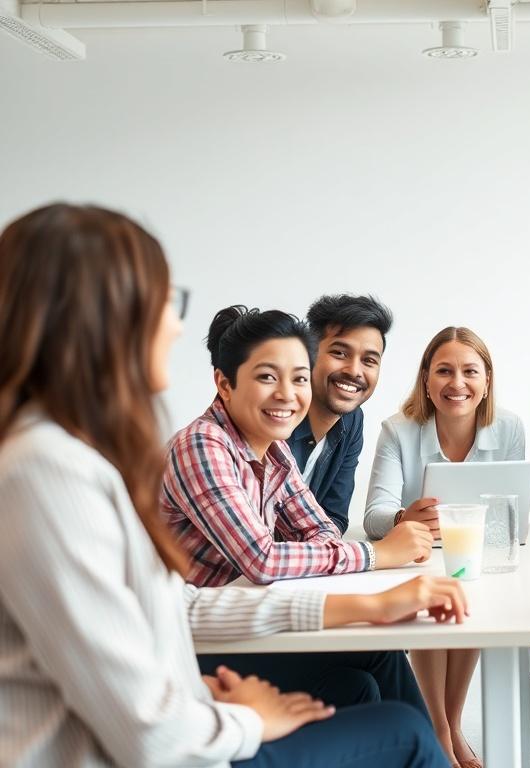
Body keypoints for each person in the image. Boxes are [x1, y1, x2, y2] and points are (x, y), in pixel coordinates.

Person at [0, 202, 458, 767]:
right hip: (163, 740)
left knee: (367, 681)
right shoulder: (48, 471)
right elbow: (153, 735)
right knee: (402, 731)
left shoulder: (77, 456)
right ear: (97, 317)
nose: (175, 324)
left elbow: (182, 608)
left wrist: (366, 606)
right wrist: (245, 717)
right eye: (167, 301)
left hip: (188, 701)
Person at [162, 305, 436, 712]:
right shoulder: (202, 445)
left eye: (299, 379)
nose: (287, 395)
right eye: (268, 377)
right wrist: (379, 552)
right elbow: (263, 559)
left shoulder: (273, 450)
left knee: (379, 658)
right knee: (354, 685)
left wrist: (342, 553)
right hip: (191, 643)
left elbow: (322, 529)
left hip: (243, 621)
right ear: (225, 384)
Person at [364, 326, 526, 768]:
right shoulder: (398, 430)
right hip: (418, 557)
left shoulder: (508, 426)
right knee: (437, 599)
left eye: (470, 371)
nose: (457, 383)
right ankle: (436, 726)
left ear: (487, 380)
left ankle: (452, 725)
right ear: (426, 380)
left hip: (478, 555)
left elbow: (514, 508)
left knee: (470, 597)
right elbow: (375, 513)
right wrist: (404, 518)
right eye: (444, 371)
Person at [287, 294, 393, 535]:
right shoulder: (276, 416)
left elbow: (334, 516)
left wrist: (324, 548)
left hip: (301, 568)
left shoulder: (352, 419)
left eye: (369, 360)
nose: (354, 370)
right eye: (340, 353)